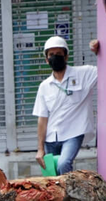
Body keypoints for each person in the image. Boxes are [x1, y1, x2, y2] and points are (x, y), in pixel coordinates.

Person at [33, 35, 100, 175]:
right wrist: (40, 149)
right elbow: (42, 119)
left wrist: (98, 52)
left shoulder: (83, 74)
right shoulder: (44, 86)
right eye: (51, 54)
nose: (55, 57)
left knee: (64, 164)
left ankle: (68, 196)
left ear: (66, 56)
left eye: (59, 54)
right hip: (51, 137)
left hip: (73, 133)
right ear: (46, 59)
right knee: (51, 175)